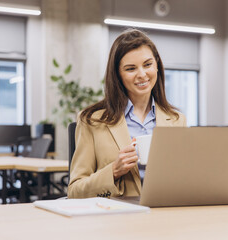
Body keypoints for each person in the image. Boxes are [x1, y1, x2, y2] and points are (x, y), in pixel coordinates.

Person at [68, 29, 186, 199]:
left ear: (157, 66)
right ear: (117, 75)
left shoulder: (177, 120)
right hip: (116, 218)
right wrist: (113, 171)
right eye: (131, 69)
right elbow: (74, 191)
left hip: (166, 214)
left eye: (147, 64)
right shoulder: (92, 121)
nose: (142, 74)